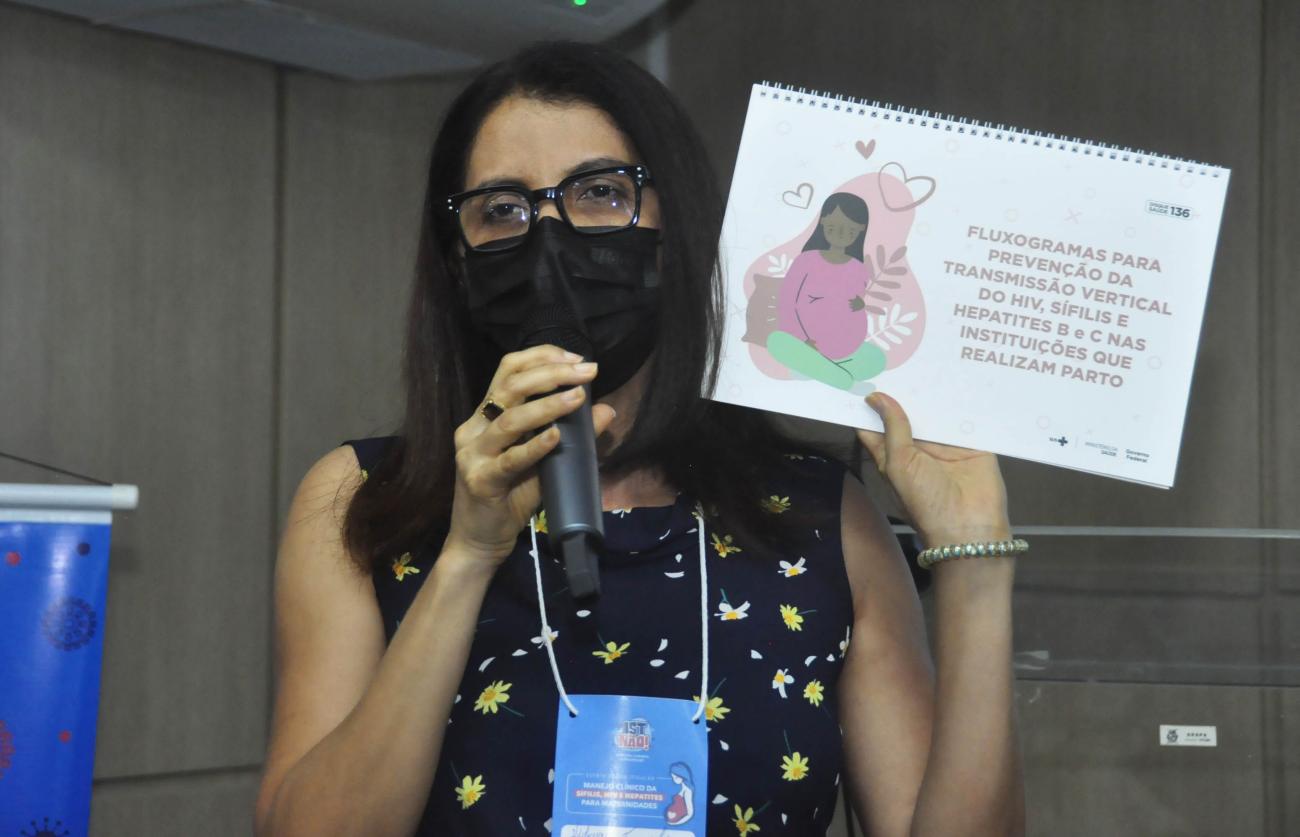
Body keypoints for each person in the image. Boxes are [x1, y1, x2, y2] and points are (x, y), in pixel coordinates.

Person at [254, 41, 1024, 837]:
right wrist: (467, 555)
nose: (551, 238)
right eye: (503, 209)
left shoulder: (821, 517)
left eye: (600, 192)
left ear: (677, 223)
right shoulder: (361, 498)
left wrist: (975, 560)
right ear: (457, 258)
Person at [767, 192, 888, 391]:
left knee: (877, 359)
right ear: (823, 222)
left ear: (860, 230)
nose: (840, 234)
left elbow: (851, 304)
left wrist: (859, 306)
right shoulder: (806, 261)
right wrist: (802, 339)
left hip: (842, 348)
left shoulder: (859, 269)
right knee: (776, 342)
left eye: (849, 231)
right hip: (804, 342)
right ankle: (846, 383)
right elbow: (787, 302)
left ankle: (813, 368)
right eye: (833, 228)